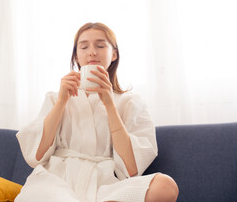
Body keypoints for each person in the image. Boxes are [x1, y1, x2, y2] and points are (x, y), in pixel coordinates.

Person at [15, 22, 179, 202]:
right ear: (76, 56)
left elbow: (131, 169)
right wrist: (62, 101)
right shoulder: (55, 98)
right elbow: (36, 156)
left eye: (100, 46)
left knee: (165, 186)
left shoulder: (131, 102)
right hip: (56, 182)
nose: (92, 52)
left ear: (114, 54)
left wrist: (110, 105)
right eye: (84, 47)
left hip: (104, 186)